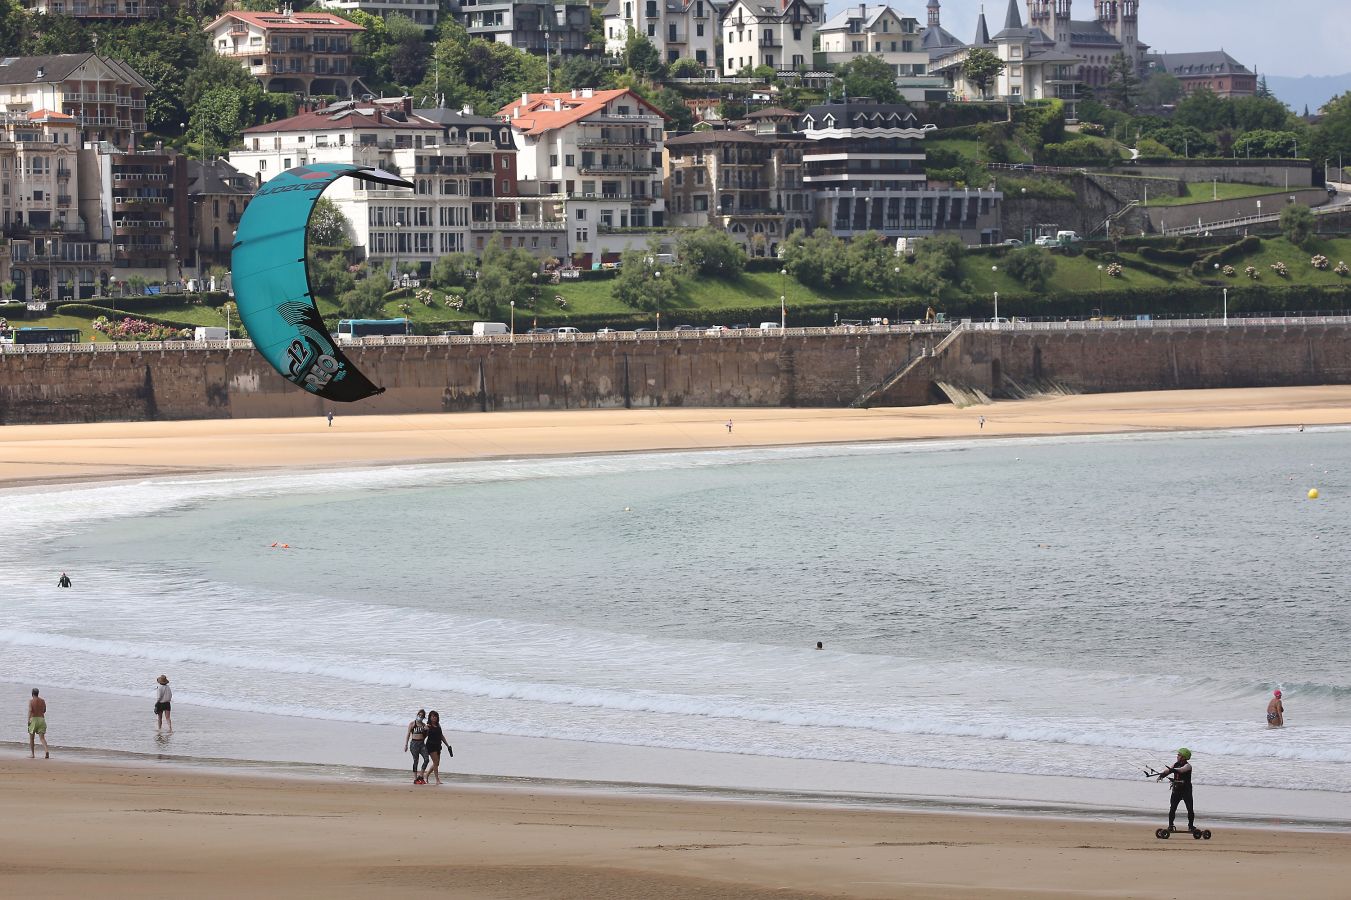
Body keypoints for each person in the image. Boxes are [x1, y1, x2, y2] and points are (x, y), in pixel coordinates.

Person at [1156, 748, 1195, 833]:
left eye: (1179, 755)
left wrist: (1171, 770)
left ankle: (1191, 826)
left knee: (1190, 809)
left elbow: (1181, 770)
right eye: (1178, 755)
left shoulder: (1188, 766)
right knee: (1172, 808)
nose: (1177, 756)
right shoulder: (1175, 764)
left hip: (1186, 790)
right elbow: (1168, 771)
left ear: (1184, 757)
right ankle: (1170, 825)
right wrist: (1162, 775)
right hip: (1176, 790)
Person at [423, 710, 452, 785]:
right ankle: (437, 780)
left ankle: (426, 775)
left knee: (437, 763)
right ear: (430, 717)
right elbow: (424, 736)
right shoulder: (428, 726)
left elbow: (441, 736)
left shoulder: (438, 725)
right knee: (436, 762)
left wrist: (447, 745)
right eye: (433, 716)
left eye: (436, 716)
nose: (434, 718)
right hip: (431, 746)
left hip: (438, 745)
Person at [404, 709, 429, 782]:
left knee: (426, 759)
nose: (420, 717)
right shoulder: (412, 724)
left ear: (423, 717)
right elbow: (408, 734)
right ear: (417, 715)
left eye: (422, 716)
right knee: (416, 760)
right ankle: (415, 778)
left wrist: (427, 730)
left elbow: (426, 735)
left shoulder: (424, 725)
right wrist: (406, 744)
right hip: (414, 743)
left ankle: (421, 775)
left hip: (421, 743)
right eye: (419, 715)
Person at [28, 688, 48, 759]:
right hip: (41, 719)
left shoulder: (31, 701)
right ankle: (46, 751)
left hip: (34, 720)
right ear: (38, 693)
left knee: (32, 738)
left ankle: (32, 754)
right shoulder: (42, 701)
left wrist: (28, 720)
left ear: (32, 693)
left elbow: (30, 710)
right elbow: (44, 710)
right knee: (42, 738)